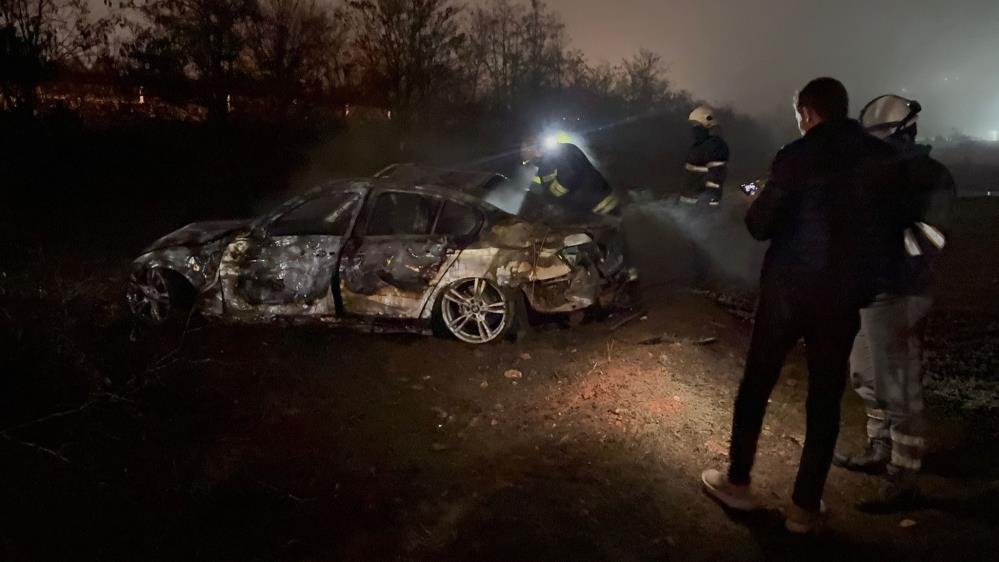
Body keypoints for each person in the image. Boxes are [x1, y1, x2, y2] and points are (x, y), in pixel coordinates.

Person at [699, 77, 904, 534]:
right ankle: (804, 507)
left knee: (757, 383)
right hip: (843, 297)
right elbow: (889, 229)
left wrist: (757, 202)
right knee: (825, 398)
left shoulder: (796, 155)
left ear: (808, 113)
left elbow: (761, 225)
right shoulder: (881, 158)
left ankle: (738, 483)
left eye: (799, 115)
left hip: (788, 292)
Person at [833, 95, 955, 511]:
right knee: (867, 374)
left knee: (899, 385)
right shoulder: (879, 173)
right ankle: (880, 447)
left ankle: (905, 476)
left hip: (903, 292)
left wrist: (874, 247)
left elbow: (930, 238)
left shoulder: (931, 176)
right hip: (870, 292)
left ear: (902, 133)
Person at [521, 133, 620, 222]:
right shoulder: (544, 168)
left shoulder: (564, 151)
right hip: (588, 209)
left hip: (599, 203)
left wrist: (553, 197)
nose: (527, 154)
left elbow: (568, 178)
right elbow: (549, 189)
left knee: (619, 225)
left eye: (528, 149)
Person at [680, 105, 730, 208]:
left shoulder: (715, 146)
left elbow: (716, 176)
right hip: (689, 204)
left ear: (707, 124)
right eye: (693, 124)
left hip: (702, 206)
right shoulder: (698, 147)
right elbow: (691, 176)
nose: (694, 127)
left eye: (696, 124)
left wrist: (707, 200)